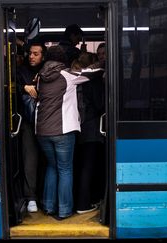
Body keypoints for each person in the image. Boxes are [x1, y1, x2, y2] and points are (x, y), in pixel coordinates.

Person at [35, 45, 103, 220]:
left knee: (51, 167)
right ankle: (64, 210)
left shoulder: (40, 77)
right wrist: (104, 61)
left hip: (42, 132)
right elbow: (90, 73)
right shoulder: (68, 76)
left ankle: (49, 206)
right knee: (65, 169)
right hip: (62, 131)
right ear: (62, 59)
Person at [73, 52, 106, 214]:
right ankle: (83, 204)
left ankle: (82, 201)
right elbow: (99, 104)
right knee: (89, 166)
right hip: (92, 128)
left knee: (82, 165)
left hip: (80, 127)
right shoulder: (92, 81)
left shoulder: (78, 79)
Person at [16, 41, 47, 213]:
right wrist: (24, 87)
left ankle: (44, 196)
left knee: (47, 160)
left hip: (47, 120)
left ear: (43, 55)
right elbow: (10, 87)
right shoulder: (21, 71)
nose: (32, 56)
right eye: (30, 53)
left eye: (36, 54)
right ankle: (31, 197)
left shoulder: (48, 71)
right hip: (28, 121)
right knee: (30, 158)